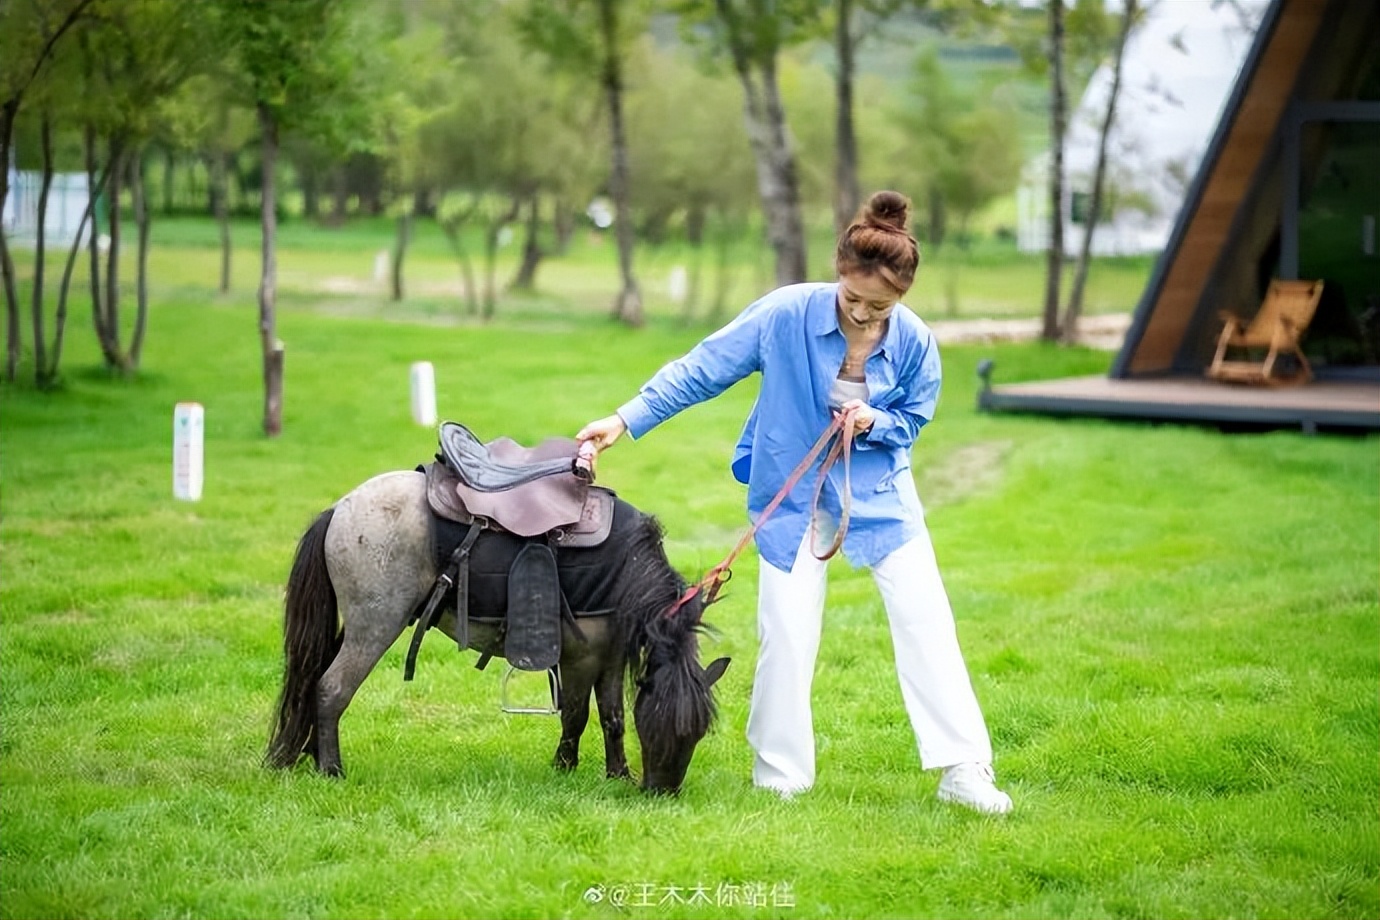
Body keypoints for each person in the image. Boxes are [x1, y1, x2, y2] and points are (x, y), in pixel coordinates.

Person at [576, 190, 1012, 814]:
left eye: (879, 307)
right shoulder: (784, 315)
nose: (862, 315)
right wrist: (624, 419)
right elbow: (702, 368)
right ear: (838, 272)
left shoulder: (915, 343)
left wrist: (875, 421)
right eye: (852, 298)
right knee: (785, 629)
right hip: (791, 498)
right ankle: (780, 775)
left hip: (880, 496)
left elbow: (914, 416)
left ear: (903, 298)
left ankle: (964, 769)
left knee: (926, 621)